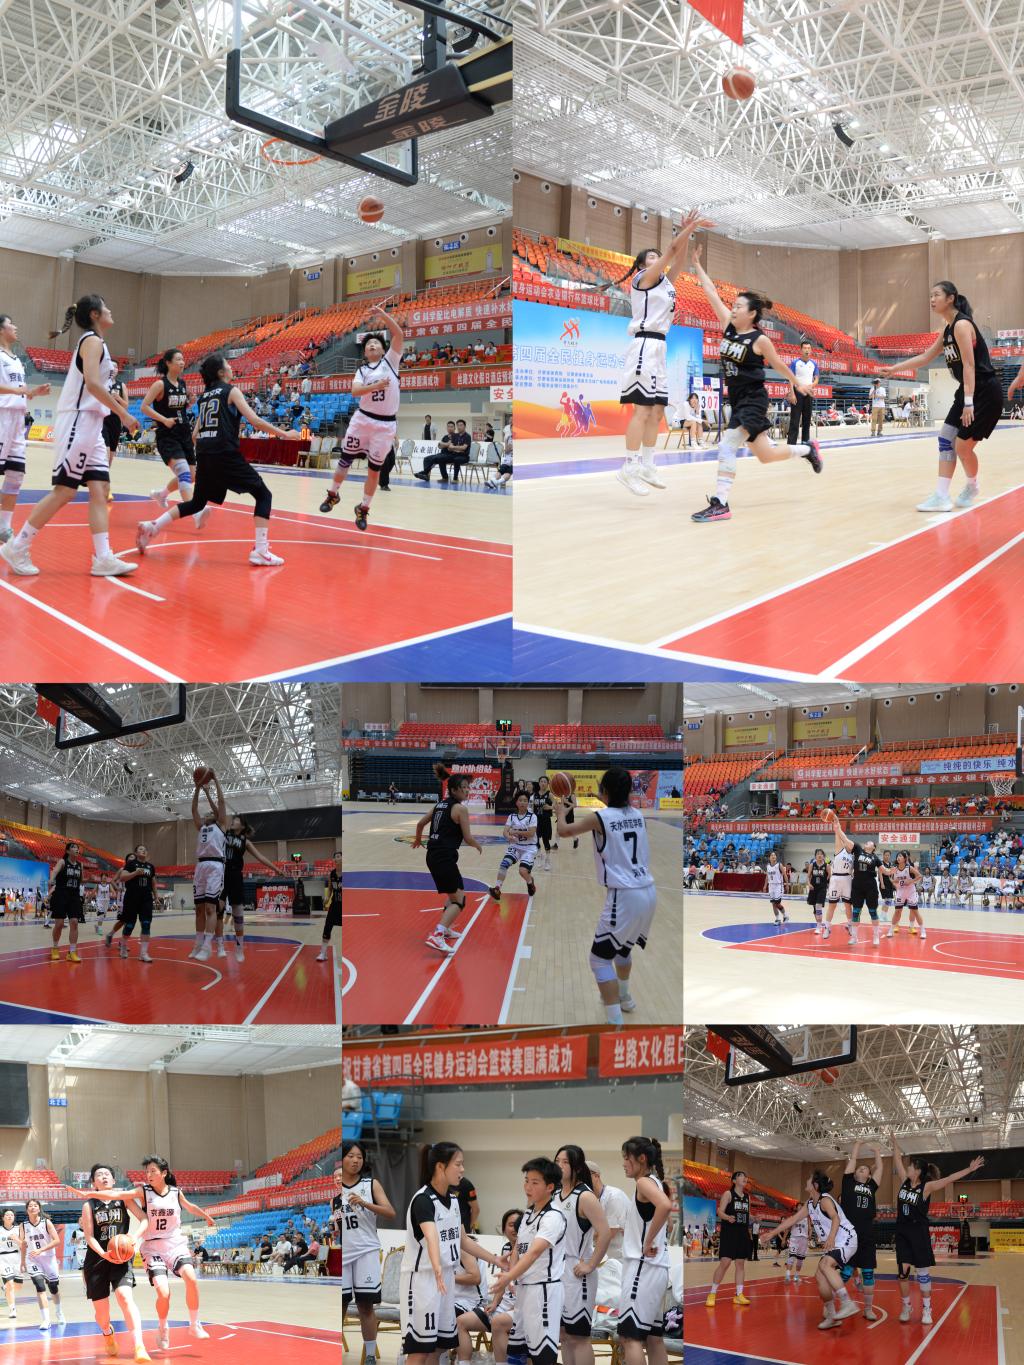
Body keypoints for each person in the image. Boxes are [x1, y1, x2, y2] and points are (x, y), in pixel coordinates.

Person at [2, 294, 139, 577]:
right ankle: (17, 545)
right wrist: (123, 414)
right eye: (106, 307)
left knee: (100, 488)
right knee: (65, 490)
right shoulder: (92, 341)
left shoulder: (98, 343)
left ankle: (103, 557)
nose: (110, 311)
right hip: (79, 419)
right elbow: (92, 384)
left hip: (93, 422)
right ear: (94, 314)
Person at [687, 241, 821, 521]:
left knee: (727, 445)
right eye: (733, 306)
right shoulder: (728, 326)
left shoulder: (759, 340)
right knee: (766, 455)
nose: (733, 309)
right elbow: (711, 292)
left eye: (738, 306)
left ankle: (721, 503)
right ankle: (808, 449)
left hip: (754, 400)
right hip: (738, 401)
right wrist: (697, 264)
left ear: (751, 314)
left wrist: (798, 383)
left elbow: (779, 364)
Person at [137, 354, 296, 564]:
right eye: (228, 365)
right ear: (221, 372)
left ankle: (152, 526)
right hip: (224, 453)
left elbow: (196, 433)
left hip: (205, 454)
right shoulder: (231, 391)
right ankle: (261, 550)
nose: (231, 367)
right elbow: (255, 421)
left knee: (196, 503)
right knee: (263, 495)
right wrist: (285, 434)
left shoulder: (205, 396)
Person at [609, 209, 709, 495]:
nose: (657, 258)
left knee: (656, 411)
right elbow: (672, 251)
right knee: (641, 410)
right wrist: (688, 227)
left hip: (660, 347)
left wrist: (688, 234)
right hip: (644, 345)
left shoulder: (665, 284)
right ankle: (629, 467)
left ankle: (648, 465)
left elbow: (679, 258)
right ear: (643, 264)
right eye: (652, 256)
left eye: (657, 256)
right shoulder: (643, 279)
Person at [881, 280, 1003, 511]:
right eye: (931, 295)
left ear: (951, 298)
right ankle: (941, 496)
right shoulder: (947, 330)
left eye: (936, 295)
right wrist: (895, 369)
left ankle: (972, 486)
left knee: (963, 448)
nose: (932, 299)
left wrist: (969, 402)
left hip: (985, 391)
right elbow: (925, 357)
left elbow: (969, 365)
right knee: (946, 439)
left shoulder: (962, 325)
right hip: (967, 389)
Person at [72, 1155, 215, 1350]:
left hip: (168, 1245)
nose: (148, 1175)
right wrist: (86, 1194)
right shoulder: (136, 1193)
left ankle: (188, 1326)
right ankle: (144, 1329)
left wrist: (207, 1217)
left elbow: (186, 1208)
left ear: (164, 1173)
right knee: (158, 1295)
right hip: (130, 1252)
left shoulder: (173, 1192)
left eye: (152, 1171)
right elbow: (95, 1225)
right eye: (146, 1172)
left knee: (188, 1278)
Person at [555, 768, 656, 1023]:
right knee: (622, 950)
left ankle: (614, 1021)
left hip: (625, 896)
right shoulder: (638, 815)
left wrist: (560, 813)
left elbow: (564, 831)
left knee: (599, 960)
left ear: (606, 791)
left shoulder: (599, 818)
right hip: (648, 892)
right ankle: (625, 997)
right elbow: (617, 814)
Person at [401, 1142, 506, 1365]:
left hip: (445, 1280)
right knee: (420, 1350)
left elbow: (463, 1240)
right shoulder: (423, 1200)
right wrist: (437, 1266)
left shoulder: (454, 1200)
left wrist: (495, 1259)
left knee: (438, 1347)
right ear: (441, 1166)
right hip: (423, 1280)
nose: (462, 1169)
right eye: (458, 1164)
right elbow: (431, 1237)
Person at [320, 303, 405, 530]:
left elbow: (399, 334)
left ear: (383, 349)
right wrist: (376, 385)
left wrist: (383, 315)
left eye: (376, 343)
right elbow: (355, 392)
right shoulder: (362, 370)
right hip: (363, 419)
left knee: (374, 471)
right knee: (345, 461)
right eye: (368, 344)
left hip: (385, 425)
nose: (372, 345)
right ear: (365, 352)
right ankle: (333, 494)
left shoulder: (391, 361)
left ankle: (363, 508)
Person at [891, 1134, 983, 1325]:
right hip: (902, 1232)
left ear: (917, 1171)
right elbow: (897, 1159)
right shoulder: (904, 1181)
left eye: (910, 1166)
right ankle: (906, 1306)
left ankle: (927, 1309)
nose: (907, 1168)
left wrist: (969, 1169)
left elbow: (949, 1179)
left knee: (922, 1273)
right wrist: (894, 1143)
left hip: (919, 1233)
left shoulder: (927, 1187)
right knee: (902, 1273)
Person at [487, 1157, 567, 1365]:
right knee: (518, 1351)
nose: (528, 1187)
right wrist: (512, 1275)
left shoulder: (553, 1216)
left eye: (535, 1182)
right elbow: (518, 1248)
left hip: (544, 1292)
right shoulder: (529, 1213)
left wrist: (508, 1277)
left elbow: (533, 1253)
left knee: (542, 1355)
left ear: (550, 1187)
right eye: (526, 1181)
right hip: (525, 1290)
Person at [759, 1172, 860, 1331]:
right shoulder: (810, 1204)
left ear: (815, 1185)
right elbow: (793, 1219)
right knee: (820, 1277)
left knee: (826, 1265)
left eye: (809, 1179)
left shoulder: (825, 1200)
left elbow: (836, 1218)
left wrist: (831, 1237)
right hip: (834, 1242)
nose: (806, 1180)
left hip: (845, 1238)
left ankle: (847, 1303)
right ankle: (832, 1316)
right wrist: (772, 1233)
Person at [80, 1162, 150, 1361]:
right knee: (102, 1315)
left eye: (107, 1174)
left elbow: (144, 1219)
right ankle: (107, 1333)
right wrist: (103, 1253)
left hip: (121, 1257)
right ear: (93, 1182)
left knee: (125, 1297)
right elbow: (89, 1236)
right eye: (99, 1174)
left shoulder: (123, 1199)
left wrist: (134, 1237)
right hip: (97, 1259)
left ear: (113, 1179)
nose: (103, 1176)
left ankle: (139, 1346)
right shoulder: (89, 1205)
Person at [411, 768, 483, 955]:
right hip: (444, 857)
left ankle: (446, 928)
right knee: (460, 900)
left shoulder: (439, 805)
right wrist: (477, 845)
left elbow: (420, 824)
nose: (467, 790)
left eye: (468, 787)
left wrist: (418, 840)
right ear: (453, 790)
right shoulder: (461, 809)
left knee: (455, 894)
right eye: (463, 787)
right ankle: (437, 935)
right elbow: (467, 838)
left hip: (434, 856)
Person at [553, 1145, 611, 1365]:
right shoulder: (555, 1194)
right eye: (557, 1161)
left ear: (577, 1167)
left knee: (578, 1337)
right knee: (564, 1336)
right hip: (557, 1271)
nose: (559, 1166)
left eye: (565, 1162)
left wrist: (591, 1264)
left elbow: (605, 1233)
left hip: (577, 1273)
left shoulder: (585, 1196)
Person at [616, 1137, 671, 1364]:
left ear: (641, 1159)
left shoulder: (644, 1183)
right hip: (656, 1270)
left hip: (642, 1269)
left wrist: (646, 1242)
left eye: (626, 1158)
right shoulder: (656, 1182)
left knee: (630, 1337)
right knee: (653, 1339)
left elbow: (665, 1206)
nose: (623, 1163)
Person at [341, 1140, 396, 1364]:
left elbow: (390, 1212)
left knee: (365, 1306)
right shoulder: (334, 1186)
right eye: (351, 1156)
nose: (356, 1160)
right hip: (342, 1254)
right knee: (340, 1305)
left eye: (359, 1157)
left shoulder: (371, 1184)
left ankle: (370, 1355)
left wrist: (365, 1203)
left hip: (366, 1251)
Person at [140, 348, 206, 521]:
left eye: (183, 359)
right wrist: (164, 419)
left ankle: (161, 494)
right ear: (168, 363)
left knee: (191, 476)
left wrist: (189, 404)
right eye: (178, 359)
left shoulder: (182, 384)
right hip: (167, 435)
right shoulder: (160, 385)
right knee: (183, 472)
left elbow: (179, 408)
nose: (182, 362)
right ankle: (195, 513)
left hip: (184, 433)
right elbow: (144, 407)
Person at [0, 314, 50, 543]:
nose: (16, 327)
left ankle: (3, 527)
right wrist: (18, 391)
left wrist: (32, 393)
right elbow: (10, 389)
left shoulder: (17, 360)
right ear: (1, 330)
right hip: (2, 416)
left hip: (18, 419)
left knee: (16, 474)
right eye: (11, 324)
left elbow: (20, 391)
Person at [456, 1210, 521, 1365]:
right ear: (503, 1229)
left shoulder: (529, 1250)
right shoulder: (506, 1249)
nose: (515, 1229)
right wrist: (495, 1303)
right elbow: (502, 1284)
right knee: (459, 1322)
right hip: (502, 1307)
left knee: (499, 1323)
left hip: (521, 1308)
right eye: (511, 1225)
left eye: (518, 1225)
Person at [221, 815, 280, 963]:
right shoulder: (225, 832)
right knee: (217, 909)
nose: (233, 821)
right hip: (221, 873)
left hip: (235, 875)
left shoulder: (245, 842)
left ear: (242, 826)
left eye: (236, 820)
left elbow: (261, 857)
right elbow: (219, 813)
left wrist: (276, 868)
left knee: (238, 912)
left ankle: (239, 948)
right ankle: (218, 944)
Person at [840, 1140, 882, 1321]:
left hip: (867, 1234)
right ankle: (831, 1306)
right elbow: (853, 1161)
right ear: (855, 1173)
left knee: (868, 1273)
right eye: (860, 1168)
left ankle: (868, 1309)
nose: (862, 1169)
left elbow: (880, 1169)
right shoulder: (848, 1183)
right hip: (850, 1235)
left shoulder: (871, 1186)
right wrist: (857, 1145)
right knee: (845, 1273)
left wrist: (877, 1152)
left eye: (866, 1169)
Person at [189, 770, 227, 963]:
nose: (208, 813)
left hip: (215, 866)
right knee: (199, 909)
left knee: (211, 908)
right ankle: (197, 945)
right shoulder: (201, 826)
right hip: (201, 867)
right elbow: (194, 810)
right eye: (208, 813)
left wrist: (215, 779)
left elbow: (221, 802)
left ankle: (207, 947)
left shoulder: (221, 825)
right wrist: (198, 788)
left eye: (212, 812)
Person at [705, 1171, 751, 1307]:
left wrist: (754, 1218)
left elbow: (747, 1214)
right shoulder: (728, 1194)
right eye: (741, 1175)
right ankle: (712, 1293)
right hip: (729, 1232)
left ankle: (739, 1295)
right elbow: (720, 1211)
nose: (745, 1177)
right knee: (725, 1263)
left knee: (740, 1264)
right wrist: (727, 1217)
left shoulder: (747, 1197)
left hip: (742, 1232)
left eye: (745, 1176)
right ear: (734, 1180)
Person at [20, 1199, 66, 1330]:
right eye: (30, 1206)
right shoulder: (23, 1225)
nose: (33, 1207)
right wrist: (22, 1261)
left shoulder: (46, 1222)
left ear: (39, 1209)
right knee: (40, 1286)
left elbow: (57, 1241)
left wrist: (41, 1250)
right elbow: (23, 1245)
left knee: (53, 1288)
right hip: (33, 1259)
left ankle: (59, 1312)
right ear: (27, 1210)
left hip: (48, 1258)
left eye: (35, 1205)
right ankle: (46, 1320)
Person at [488, 791, 539, 903]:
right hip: (515, 846)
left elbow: (531, 833)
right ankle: (497, 889)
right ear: (516, 802)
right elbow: (505, 832)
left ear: (528, 803)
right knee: (504, 864)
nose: (523, 802)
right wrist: (508, 837)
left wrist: (515, 831)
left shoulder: (532, 816)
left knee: (522, 871)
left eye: (525, 800)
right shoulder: (512, 816)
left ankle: (530, 883)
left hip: (529, 847)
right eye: (520, 800)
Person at [48, 840, 85, 964]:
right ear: (68, 851)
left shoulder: (80, 865)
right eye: (73, 847)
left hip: (74, 896)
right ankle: (55, 948)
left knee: (74, 922)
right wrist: (52, 879)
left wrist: (87, 880)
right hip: (61, 895)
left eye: (77, 847)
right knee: (59, 924)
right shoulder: (62, 862)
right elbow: (54, 871)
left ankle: (72, 952)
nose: (76, 849)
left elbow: (81, 880)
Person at [416, 418, 471, 482]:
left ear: (464, 426)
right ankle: (427, 474)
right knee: (427, 458)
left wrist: (453, 447)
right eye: (458, 425)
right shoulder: (454, 436)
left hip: (458, 456)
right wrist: (455, 447)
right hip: (451, 454)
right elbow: (447, 446)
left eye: (461, 425)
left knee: (442, 458)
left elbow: (463, 448)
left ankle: (425, 473)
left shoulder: (467, 436)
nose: (459, 427)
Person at [787, 341, 818, 444]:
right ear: (801, 350)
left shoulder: (813, 364)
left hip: (808, 394)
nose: (807, 350)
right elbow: (790, 379)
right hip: (797, 393)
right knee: (795, 421)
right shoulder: (795, 363)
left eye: (808, 348)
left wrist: (811, 386)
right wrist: (792, 393)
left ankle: (805, 444)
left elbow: (816, 379)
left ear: (811, 350)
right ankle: (791, 445)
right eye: (805, 348)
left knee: (807, 421)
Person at [317, 849, 341, 963]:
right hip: (335, 905)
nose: (337, 858)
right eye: (336, 856)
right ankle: (323, 953)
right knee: (327, 926)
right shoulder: (332, 874)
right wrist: (327, 898)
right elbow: (330, 889)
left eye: (339, 856)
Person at [0, 1207, 22, 1322]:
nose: (9, 1216)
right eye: (7, 1215)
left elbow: (24, 1245)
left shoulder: (19, 1229)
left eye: (12, 1215)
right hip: (3, 1258)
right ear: (3, 1217)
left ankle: (5, 1288)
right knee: (10, 1284)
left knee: (17, 1286)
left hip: (16, 1257)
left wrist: (16, 1240)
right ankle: (13, 1309)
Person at [805, 848, 829, 935]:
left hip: (822, 888)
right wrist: (809, 884)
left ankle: (818, 926)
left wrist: (827, 885)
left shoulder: (827, 866)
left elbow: (830, 876)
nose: (819, 855)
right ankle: (819, 924)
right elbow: (808, 877)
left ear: (823, 856)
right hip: (813, 888)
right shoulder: (812, 865)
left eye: (821, 854)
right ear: (815, 856)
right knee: (815, 908)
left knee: (818, 905)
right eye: (818, 854)